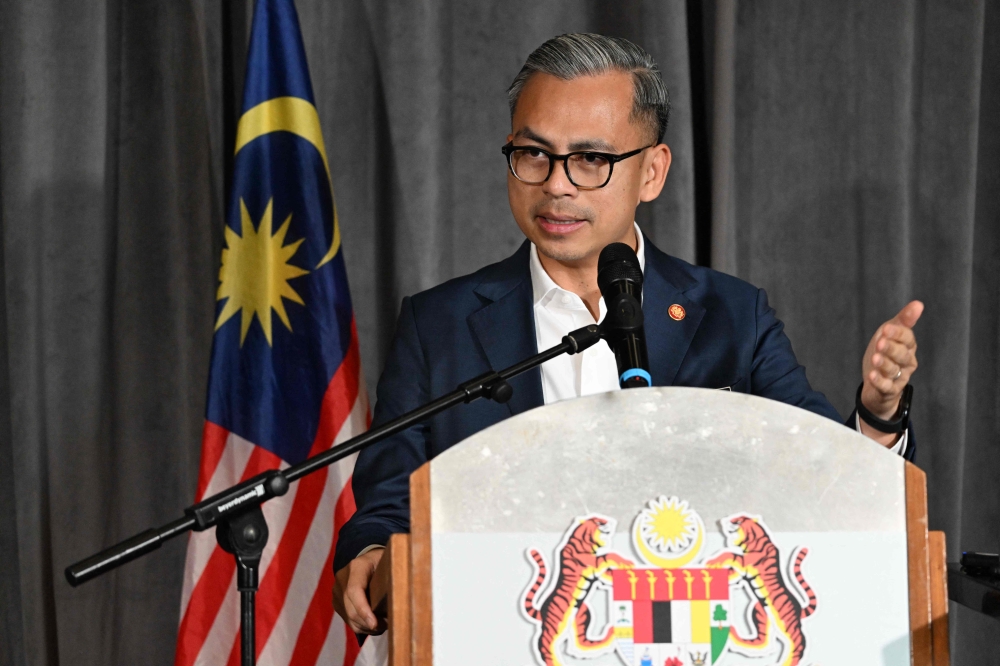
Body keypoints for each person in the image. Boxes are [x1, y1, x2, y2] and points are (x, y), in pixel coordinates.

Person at [332, 33, 922, 634]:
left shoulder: (729, 316)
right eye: (534, 153)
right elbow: (389, 500)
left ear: (652, 172)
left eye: (591, 159)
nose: (557, 184)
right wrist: (373, 553)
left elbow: (826, 476)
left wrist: (878, 414)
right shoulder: (440, 324)